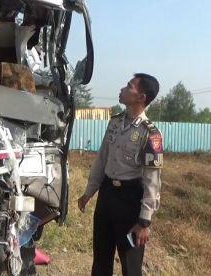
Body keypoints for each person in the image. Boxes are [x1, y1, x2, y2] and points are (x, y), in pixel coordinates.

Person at [78, 73, 163, 276]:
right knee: (101, 259)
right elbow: (102, 159)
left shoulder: (150, 134)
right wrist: (89, 191)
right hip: (107, 195)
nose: (123, 89)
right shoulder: (115, 122)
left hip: (130, 199)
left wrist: (144, 221)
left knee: (130, 265)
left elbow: (153, 180)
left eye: (129, 86)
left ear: (141, 97)